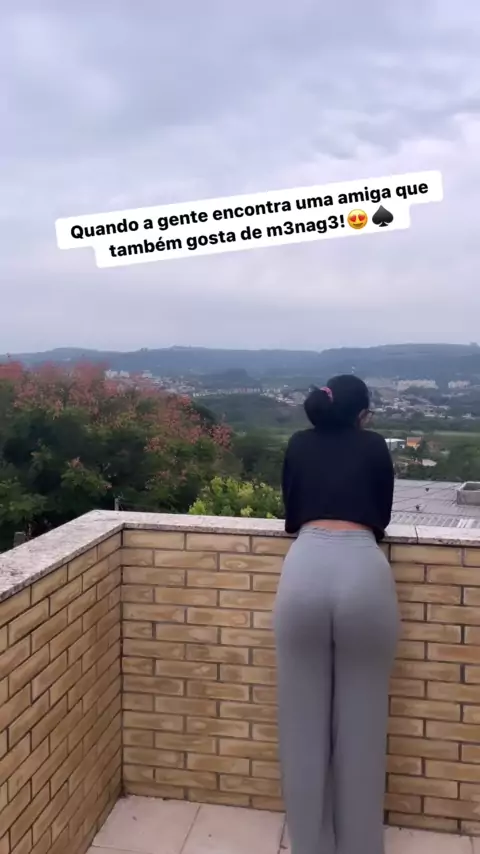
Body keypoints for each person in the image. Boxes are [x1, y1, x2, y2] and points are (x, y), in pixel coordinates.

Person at [273, 374, 400, 854]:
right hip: (363, 572)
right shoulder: (374, 447)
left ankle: (310, 847)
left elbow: (292, 514)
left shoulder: (298, 443)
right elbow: (380, 517)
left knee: (301, 731)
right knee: (362, 729)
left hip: (303, 570)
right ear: (362, 415)